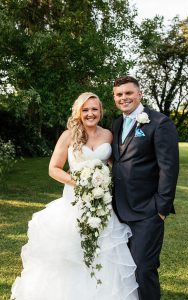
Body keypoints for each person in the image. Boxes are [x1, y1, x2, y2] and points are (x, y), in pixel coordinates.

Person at [11, 92, 139, 300]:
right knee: (70, 255)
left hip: (101, 206)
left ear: (101, 111)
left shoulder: (108, 135)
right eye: (85, 110)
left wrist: (105, 180)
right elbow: (54, 168)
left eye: (94, 109)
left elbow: (115, 167)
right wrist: (80, 182)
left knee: (104, 254)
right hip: (73, 204)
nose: (90, 114)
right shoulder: (69, 135)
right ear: (78, 112)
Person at [112, 76, 179, 300]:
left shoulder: (160, 123)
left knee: (143, 268)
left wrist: (161, 208)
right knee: (123, 267)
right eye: (119, 94)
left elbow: (169, 168)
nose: (124, 98)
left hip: (148, 211)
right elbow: (119, 161)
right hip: (119, 210)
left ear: (139, 94)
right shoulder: (116, 124)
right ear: (114, 98)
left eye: (128, 93)